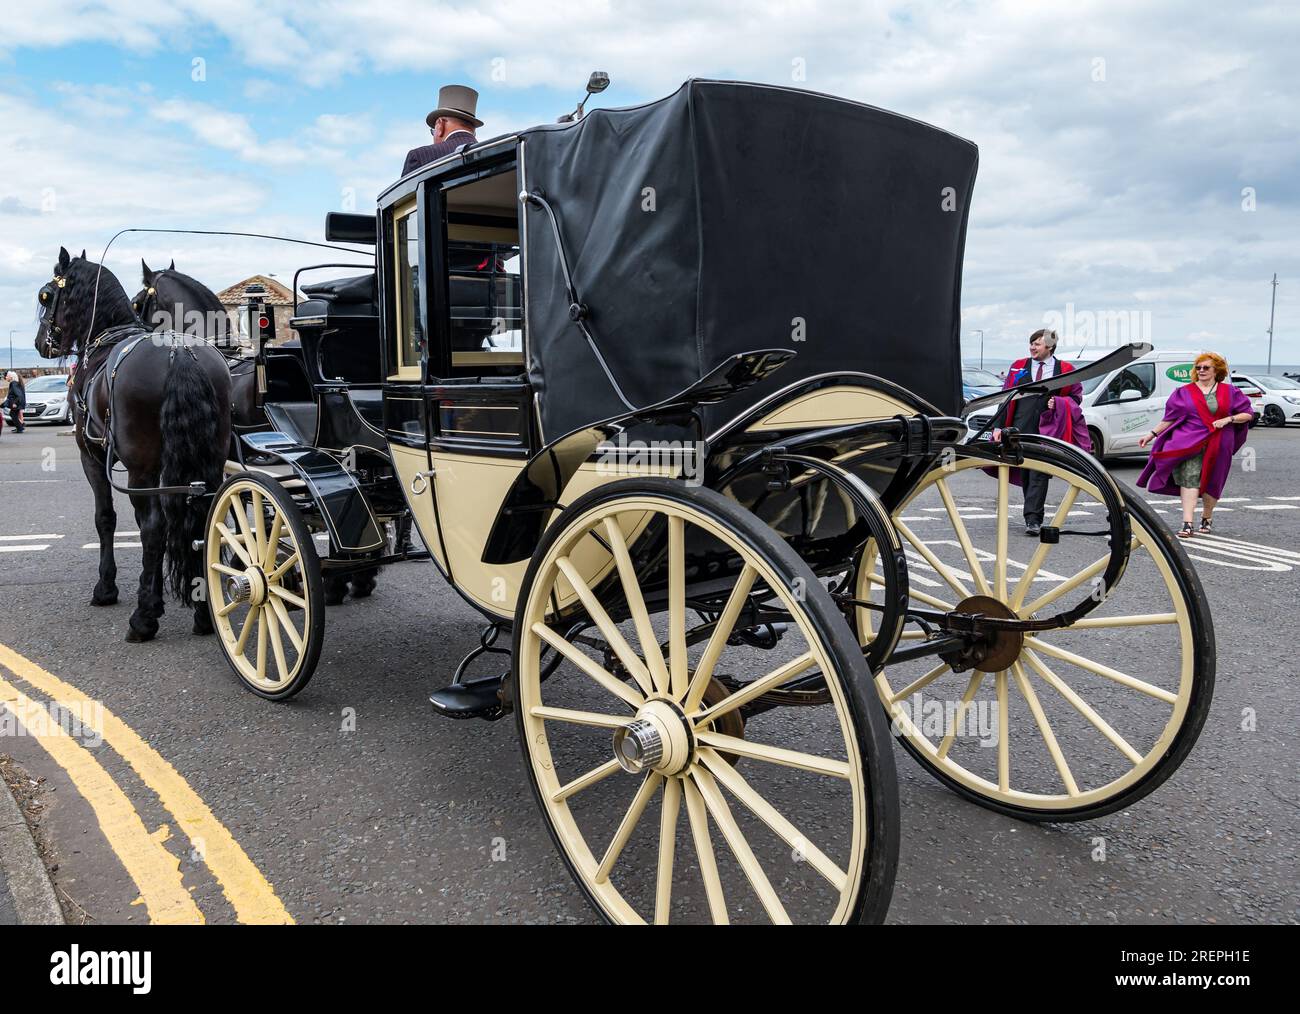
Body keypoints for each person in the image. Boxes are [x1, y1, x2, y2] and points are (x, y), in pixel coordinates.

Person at [1137, 351, 1253, 538]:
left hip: (1219, 442)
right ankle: (1187, 523)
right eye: (1198, 368)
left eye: (1206, 367)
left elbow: (1247, 414)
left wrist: (1228, 419)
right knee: (1189, 478)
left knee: (1212, 482)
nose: (1201, 370)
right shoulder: (1183, 392)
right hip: (1188, 442)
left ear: (1217, 370)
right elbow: (1170, 419)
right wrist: (1151, 434)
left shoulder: (1230, 392)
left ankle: (1207, 516)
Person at [992, 329, 1081, 535]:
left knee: (1039, 473)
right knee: (1025, 472)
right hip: (1019, 428)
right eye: (1031, 343)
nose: (1032, 347)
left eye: (1037, 344)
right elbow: (1005, 396)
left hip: (1047, 430)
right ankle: (1031, 513)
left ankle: (1033, 519)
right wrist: (998, 426)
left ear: (1049, 346)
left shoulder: (1066, 369)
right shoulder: (1018, 366)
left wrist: (1058, 402)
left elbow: (1076, 399)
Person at [402, 85, 483, 176]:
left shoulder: (419, 157)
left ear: (440, 125)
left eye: (433, 131)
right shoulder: (490, 155)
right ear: (473, 130)